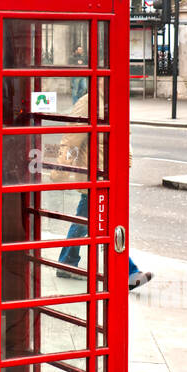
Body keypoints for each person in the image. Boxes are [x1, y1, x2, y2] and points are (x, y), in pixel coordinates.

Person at [55, 92, 153, 291]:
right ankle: (129, 272)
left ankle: (66, 261)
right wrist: (61, 167)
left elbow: (125, 135)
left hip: (112, 175)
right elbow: (72, 139)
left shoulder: (115, 99)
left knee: (89, 222)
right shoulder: (87, 103)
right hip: (96, 175)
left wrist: (127, 163)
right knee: (106, 223)